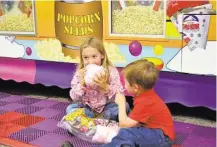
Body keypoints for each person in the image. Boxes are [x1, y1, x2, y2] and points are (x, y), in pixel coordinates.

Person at [100, 59, 175, 147]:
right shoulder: (145, 94)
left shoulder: (145, 101)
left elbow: (124, 124)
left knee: (126, 132)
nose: (124, 85)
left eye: (126, 83)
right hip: (155, 133)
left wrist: (122, 103)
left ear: (135, 87)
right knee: (129, 133)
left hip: (162, 138)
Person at [66, 37, 129, 120]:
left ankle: (99, 118)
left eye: (94, 56)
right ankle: (93, 118)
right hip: (87, 107)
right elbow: (74, 98)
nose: (90, 61)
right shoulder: (80, 72)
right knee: (70, 109)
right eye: (86, 57)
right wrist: (81, 84)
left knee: (124, 106)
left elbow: (119, 95)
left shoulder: (111, 71)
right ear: (82, 58)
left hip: (106, 107)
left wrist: (105, 86)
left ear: (102, 55)